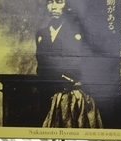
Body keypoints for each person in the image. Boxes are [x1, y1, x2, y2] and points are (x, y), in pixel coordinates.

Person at [35, 0, 103, 129]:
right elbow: (41, 66)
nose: (53, 7)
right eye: (50, 2)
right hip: (48, 94)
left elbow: (89, 63)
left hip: (75, 96)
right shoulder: (42, 34)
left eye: (59, 2)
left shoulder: (81, 31)